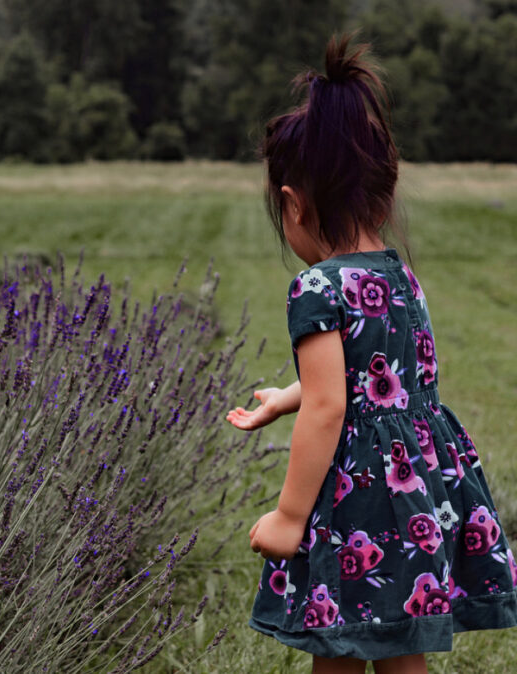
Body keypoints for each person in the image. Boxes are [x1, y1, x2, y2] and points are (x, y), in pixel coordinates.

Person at [226, 34, 517, 674]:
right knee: (399, 650)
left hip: (359, 501)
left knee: (337, 648)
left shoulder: (317, 286)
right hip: (417, 491)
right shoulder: (399, 276)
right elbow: (384, 376)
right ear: (380, 193)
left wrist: (288, 516)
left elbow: (332, 407)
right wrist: (286, 397)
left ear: (293, 204)